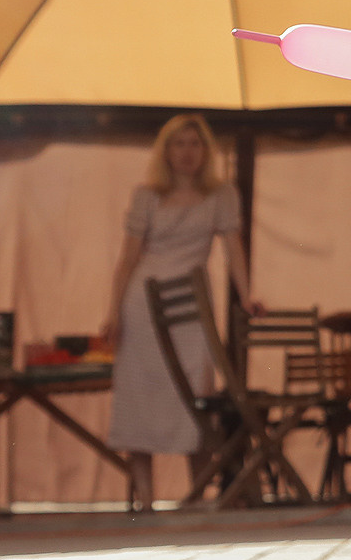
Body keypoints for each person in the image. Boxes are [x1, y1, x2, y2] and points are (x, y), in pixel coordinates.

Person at [103, 114, 259, 512]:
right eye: (178, 144)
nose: (187, 153)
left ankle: (196, 494)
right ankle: (146, 502)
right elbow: (127, 259)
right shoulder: (147, 195)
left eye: (194, 144)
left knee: (195, 399)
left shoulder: (220, 195)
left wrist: (247, 295)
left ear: (205, 151)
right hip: (142, 305)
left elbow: (233, 250)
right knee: (140, 398)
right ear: (166, 151)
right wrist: (112, 312)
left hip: (193, 309)